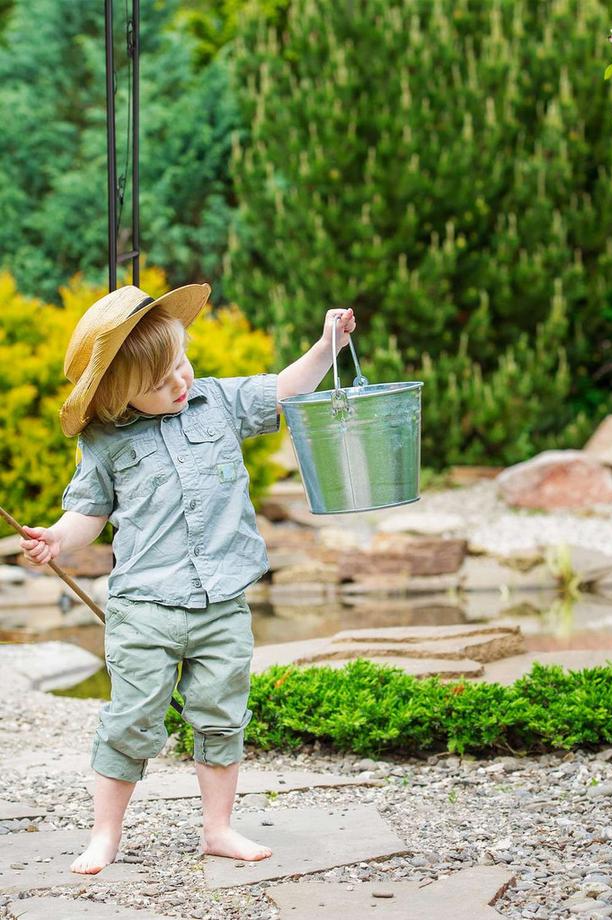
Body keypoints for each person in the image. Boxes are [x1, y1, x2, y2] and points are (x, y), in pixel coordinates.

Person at [18, 283, 356, 874]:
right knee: (132, 720)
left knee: (222, 714)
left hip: (222, 600)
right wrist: (56, 540)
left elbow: (284, 388)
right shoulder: (104, 441)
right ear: (121, 396)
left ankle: (218, 829)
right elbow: (89, 514)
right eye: (160, 382)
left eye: (181, 363)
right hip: (145, 607)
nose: (180, 382)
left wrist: (327, 346)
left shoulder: (218, 402)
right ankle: (104, 835)